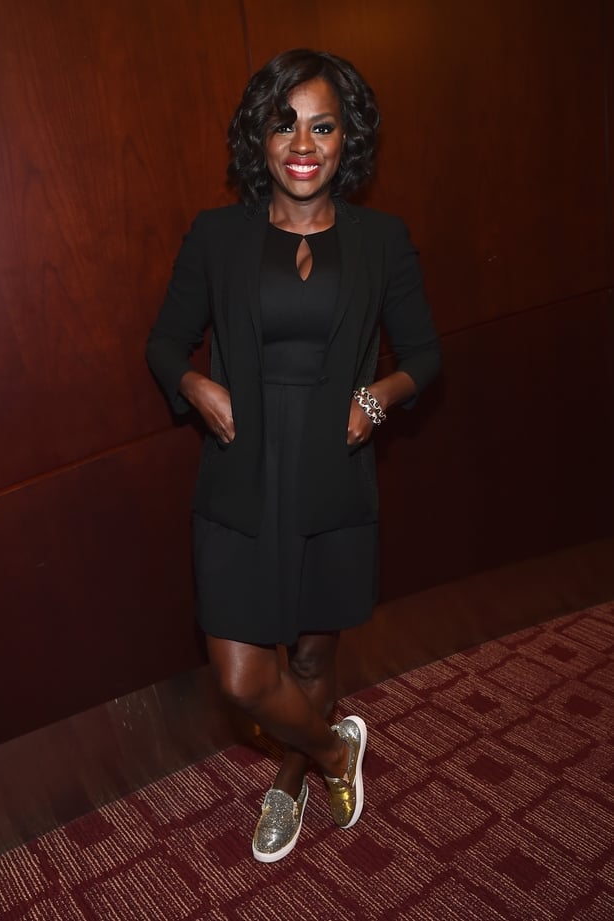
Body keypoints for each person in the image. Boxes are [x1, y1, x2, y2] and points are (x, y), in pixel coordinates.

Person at [146, 49, 440, 863]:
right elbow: (165, 341)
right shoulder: (216, 237)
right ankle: (336, 751)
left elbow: (425, 355)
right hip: (240, 476)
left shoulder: (382, 240)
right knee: (243, 678)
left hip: (332, 474)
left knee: (313, 655)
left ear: (348, 141)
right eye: (284, 123)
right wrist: (196, 385)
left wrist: (373, 400)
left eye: (322, 125)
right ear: (261, 138)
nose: (302, 143)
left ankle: (288, 778)